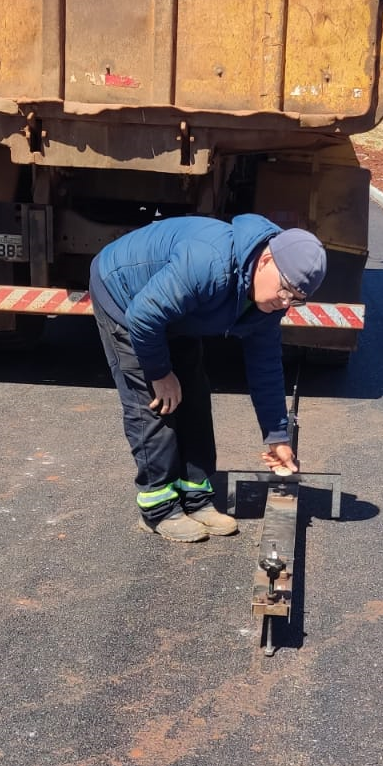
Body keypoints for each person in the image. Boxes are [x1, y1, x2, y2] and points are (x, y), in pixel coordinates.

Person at [89, 214, 327, 543]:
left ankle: (196, 497)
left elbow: (266, 367)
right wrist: (159, 373)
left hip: (177, 312)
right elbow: (144, 316)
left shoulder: (270, 302)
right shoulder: (210, 262)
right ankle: (158, 508)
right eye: (284, 289)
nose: (285, 302)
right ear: (267, 260)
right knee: (156, 406)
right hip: (126, 298)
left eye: (296, 298)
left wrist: (277, 437)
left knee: (195, 398)